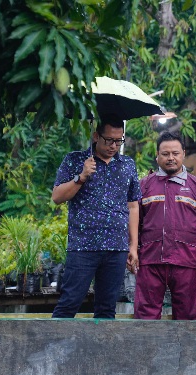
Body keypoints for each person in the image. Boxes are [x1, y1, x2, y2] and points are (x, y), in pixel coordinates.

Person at [51, 115, 141, 319]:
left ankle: (101, 351)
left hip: (116, 248)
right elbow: (57, 197)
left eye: (119, 141)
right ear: (95, 136)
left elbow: (133, 206)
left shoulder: (127, 164)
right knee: (69, 302)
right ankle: (52, 349)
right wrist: (81, 176)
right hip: (83, 246)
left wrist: (133, 246)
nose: (113, 146)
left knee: (107, 308)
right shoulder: (75, 160)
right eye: (109, 140)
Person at [133, 132, 196, 320]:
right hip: (150, 259)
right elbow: (132, 221)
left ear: (183, 154)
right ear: (157, 156)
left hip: (186, 259)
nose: (170, 158)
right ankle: (145, 350)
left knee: (187, 315)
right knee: (145, 316)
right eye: (165, 154)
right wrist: (131, 250)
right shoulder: (145, 186)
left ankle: (186, 350)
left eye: (175, 153)